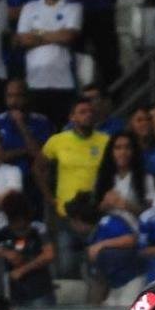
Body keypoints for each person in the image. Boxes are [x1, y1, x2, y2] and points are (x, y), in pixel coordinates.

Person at [35, 97, 109, 277]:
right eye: (82, 112)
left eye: (90, 112)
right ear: (72, 117)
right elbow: (38, 167)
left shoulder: (106, 141)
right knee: (67, 267)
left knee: (98, 266)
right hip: (65, 214)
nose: (88, 115)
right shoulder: (57, 141)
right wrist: (48, 197)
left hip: (95, 213)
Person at [15, 0, 82, 126]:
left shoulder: (73, 7)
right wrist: (55, 35)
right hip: (34, 83)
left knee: (61, 129)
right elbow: (23, 39)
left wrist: (37, 33)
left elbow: (68, 36)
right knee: (37, 131)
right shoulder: (30, 7)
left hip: (63, 83)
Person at [0, 191, 56, 307]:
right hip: (15, 294)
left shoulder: (38, 228)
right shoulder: (4, 230)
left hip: (40, 291)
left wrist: (23, 270)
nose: (16, 225)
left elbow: (49, 254)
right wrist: (5, 253)